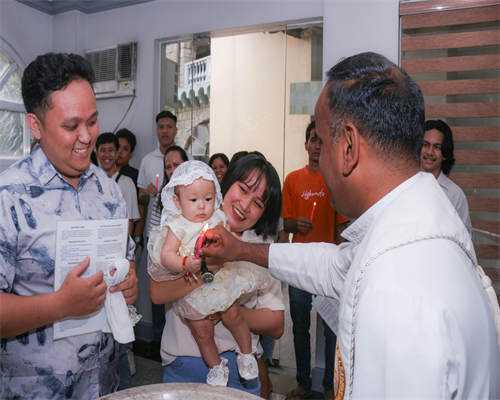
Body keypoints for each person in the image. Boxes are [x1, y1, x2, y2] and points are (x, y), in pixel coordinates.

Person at [203, 52, 499, 398]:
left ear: (348, 147)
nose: (318, 156)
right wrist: (241, 249)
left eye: (322, 141)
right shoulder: (408, 230)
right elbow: (333, 266)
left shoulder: (399, 291)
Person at [0, 52, 138, 399]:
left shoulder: (108, 189)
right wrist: (60, 305)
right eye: (71, 126)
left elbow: (125, 261)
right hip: (34, 388)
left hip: (103, 382)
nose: (87, 137)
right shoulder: (9, 197)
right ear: (35, 126)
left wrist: (128, 281)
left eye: (92, 121)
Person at [149, 154, 284, 396]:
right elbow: (157, 293)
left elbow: (276, 324)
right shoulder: (185, 224)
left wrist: (225, 311)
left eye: (258, 203)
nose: (245, 205)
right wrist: (206, 270)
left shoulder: (260, 249)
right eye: (243, 190)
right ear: (227, 182)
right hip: (183, 360)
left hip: (239, 366)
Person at [282, 120, 337, 400]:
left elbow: (343, 227)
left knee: (332, 330)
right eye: (313, 140)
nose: (317, 146)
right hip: (300, 264)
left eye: (322, 141)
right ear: (306, 145)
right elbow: (284, 222)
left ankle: (330, 386)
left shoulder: (336, 180)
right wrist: (294, 224)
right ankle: (303, 383)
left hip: (329, 265)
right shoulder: (292, 179)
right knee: (300, 327)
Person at [148, 144, 188, 343]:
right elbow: (155, 235)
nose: (172, 170)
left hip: (191, 269)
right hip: (166, 268)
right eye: (168, 167)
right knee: (170, 321)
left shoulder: (198, 195)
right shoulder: (161, 198)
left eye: (176, 165)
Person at [421, 119, 472, 233]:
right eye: (425, 145)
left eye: (437, 147)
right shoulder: (405, 185)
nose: (429, 152)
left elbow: (465, 238)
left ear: (445, 154)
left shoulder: (455, 195)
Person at [137, 110, 178, 244]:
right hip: (154, 231)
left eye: (169, 127)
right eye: (161, 127)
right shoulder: (147, 160)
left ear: (176, 130)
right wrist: (146, 193)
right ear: (156, 131)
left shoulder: (187, 159)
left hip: (180, 231)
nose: (165, 131)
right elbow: (141, 198)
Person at [96, 132, 140, 235]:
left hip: (115, 240)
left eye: (111, 150)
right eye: (103, 150)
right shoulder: (89, 181)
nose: (107, 155)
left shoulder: (127, 183)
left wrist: (125, 245)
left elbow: (129, 221)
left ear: (116, 154)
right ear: (96, 153)